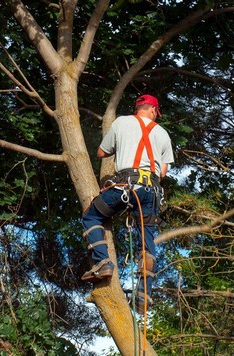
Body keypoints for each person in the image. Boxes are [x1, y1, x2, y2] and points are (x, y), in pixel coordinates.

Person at [81, 94, 174, 314]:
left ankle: (103, 263)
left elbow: (101, 152)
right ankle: (143, 296)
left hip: (125, 186)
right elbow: (162, 172)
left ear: (138, 108)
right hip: (150, 192)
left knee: (92, 216)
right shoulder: (162, 133)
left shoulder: (121, 122)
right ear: (153, 110)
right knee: (146, 241)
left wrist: (122, 145)